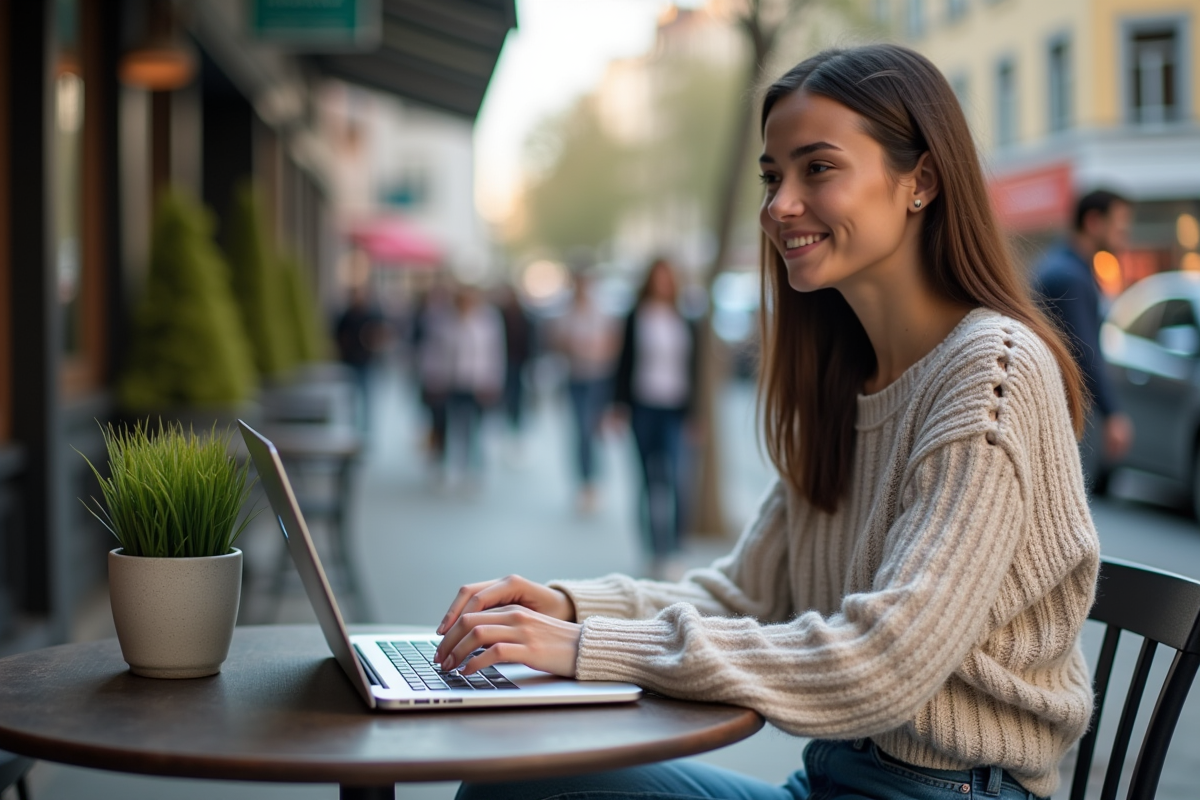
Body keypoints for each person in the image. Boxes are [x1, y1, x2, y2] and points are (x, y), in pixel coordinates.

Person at [435, 44, 1099, 800]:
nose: (779, 205)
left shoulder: (992, 371)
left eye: (817, 168)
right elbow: (744, 596)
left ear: (921, 182)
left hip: (951, 792)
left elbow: (884, 663)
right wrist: (565, 606)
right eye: (772, 175)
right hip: (833, 780)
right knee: (519, 780)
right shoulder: (850, 377)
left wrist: (586, 647)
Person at [1032, 189, 1134, 492]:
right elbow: (1086, 350)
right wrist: (1112, 412)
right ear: (1093, 222)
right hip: (1053, 413)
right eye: (1119, 227)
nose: (1124, 236)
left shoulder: (1061, 266)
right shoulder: (1070, 277)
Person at [612, 258, 699, 574]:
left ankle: (675, 547)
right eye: (657, 277)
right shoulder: (636, 317)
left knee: (678, 478)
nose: (663, 283)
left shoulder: (684, 317)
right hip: (643, 407)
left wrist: (695, 415)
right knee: (648, 481)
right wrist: (618, 405)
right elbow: (623, 362)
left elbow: (695, 369)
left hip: (675, 408)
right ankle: (653, 548)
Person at [550, 272, 620, 513]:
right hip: (575, 377)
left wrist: (594, 348)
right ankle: (585, 481)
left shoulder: (601, 309)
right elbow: (557, 341)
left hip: (597, 377)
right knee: (580, 430)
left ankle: (594, 480)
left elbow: (612, 343)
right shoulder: (565, 311)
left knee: (592, 430)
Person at [442, 285, 505, 485]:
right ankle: (455, 466)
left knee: (477, 427)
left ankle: (476, 468)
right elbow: (438, 353)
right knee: (456, 425)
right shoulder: (447, 322)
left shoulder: (488, 322)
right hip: (454, 381)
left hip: (479, 382)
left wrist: (493, 380)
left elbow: (495, 354)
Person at [334, 284, 385, 431]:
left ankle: (365, 429)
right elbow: (338, 336)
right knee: (350, 397)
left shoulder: (370, 315)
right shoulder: (346, 315)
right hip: (349, 362)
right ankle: (351, 427)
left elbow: (378, 334)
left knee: (366, 395)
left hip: (365, 361)